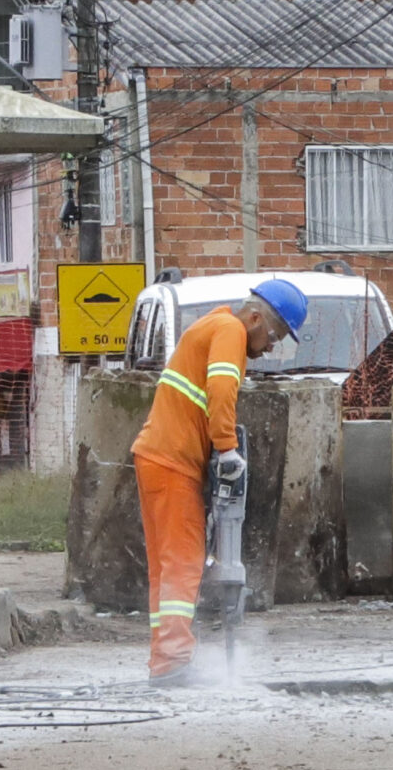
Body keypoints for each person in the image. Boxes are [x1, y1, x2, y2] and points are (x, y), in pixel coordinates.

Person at [128, 279, 310, 681]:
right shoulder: (229, 330)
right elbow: (222, 387)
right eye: (276, 334)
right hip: (172, 460)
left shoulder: (213, 325)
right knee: (184, 561)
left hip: (158, 457)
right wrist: (227, 450)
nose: (272, 346)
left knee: (167, 565)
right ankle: (173, 661)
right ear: (256, 317)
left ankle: (165, 660)